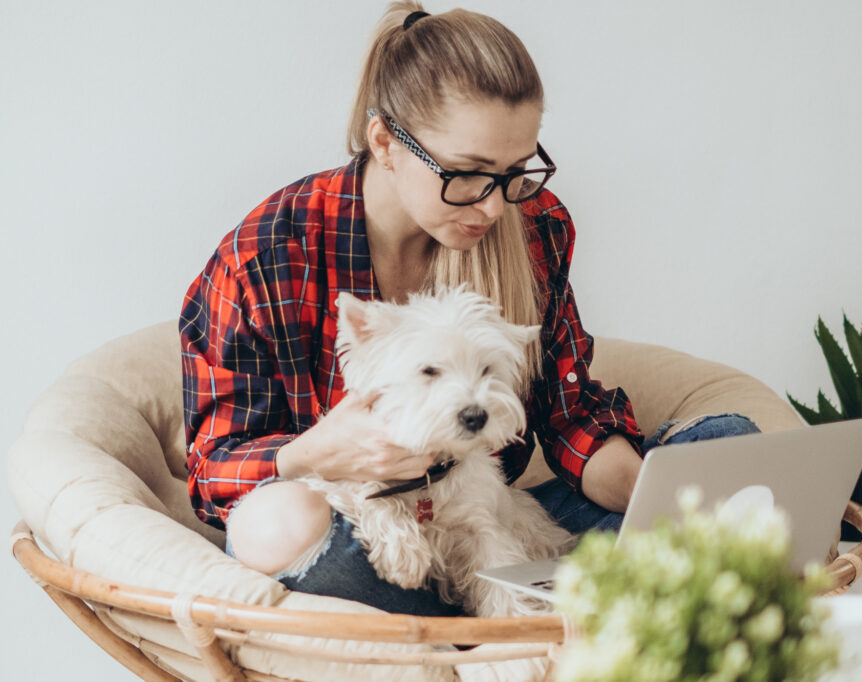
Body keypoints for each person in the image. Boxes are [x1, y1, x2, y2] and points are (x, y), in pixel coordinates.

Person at [180, 2, 757, 617]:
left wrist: (653, 498)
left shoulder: (533, 226)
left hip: (485, 525)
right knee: (279, 520)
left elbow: (568, 417)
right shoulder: (265, 258)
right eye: (470, 174)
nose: (493, 207)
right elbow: (215, 473)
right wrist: (319, 452)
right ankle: (531, 620)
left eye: (514, 173)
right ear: (385, 141)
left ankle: (508, 612)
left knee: (730, 447)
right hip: (361, 537)